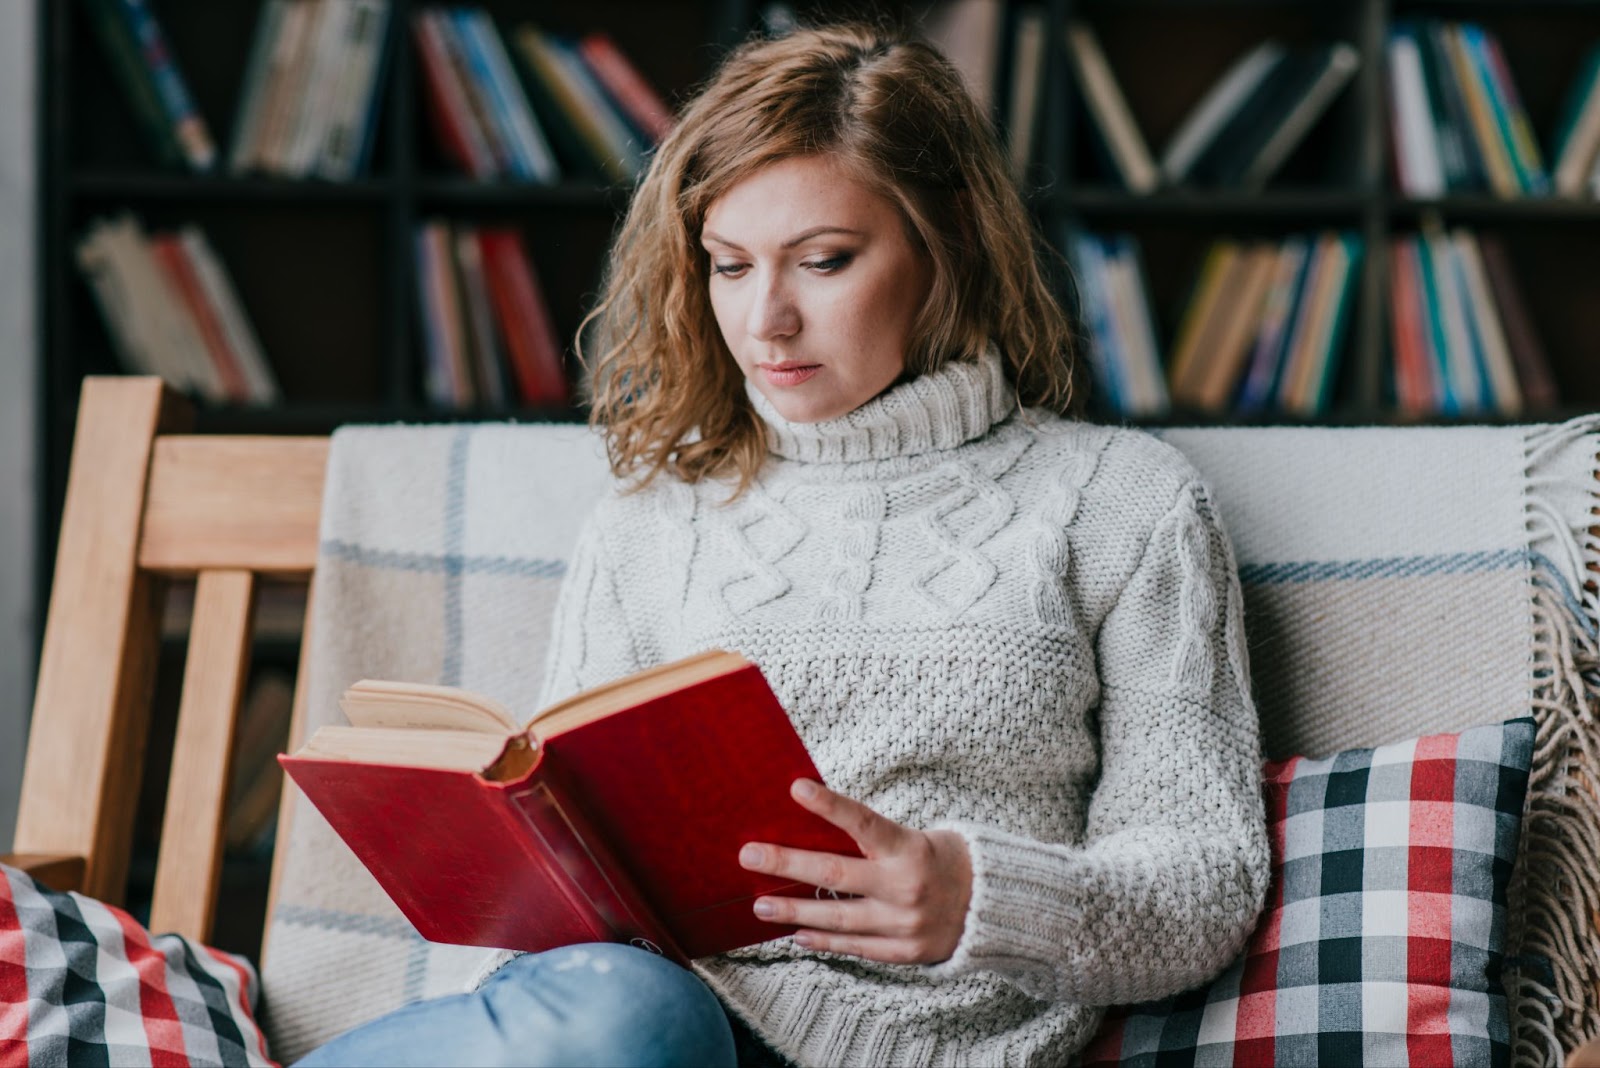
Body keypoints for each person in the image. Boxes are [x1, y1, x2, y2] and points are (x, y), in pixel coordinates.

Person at [294, 20, 1270, 1068]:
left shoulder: (1126, 504)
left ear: (950, 247)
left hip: (921, 1045)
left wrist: (974, 898)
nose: (766, 321)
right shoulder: (648, 524)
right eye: (727, 266)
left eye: (823, 262)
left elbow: (1204, 878)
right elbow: (579, 885)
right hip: (645, 1022)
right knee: (628, 1013)